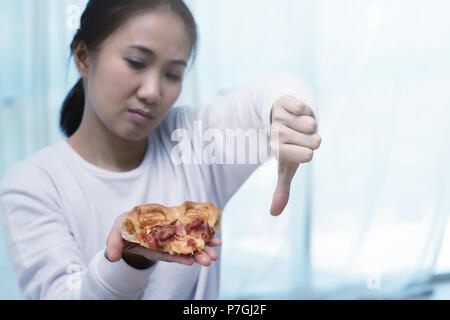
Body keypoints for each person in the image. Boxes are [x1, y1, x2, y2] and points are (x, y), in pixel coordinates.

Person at [0, 0, 321, 300]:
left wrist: (286, 114)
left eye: (173, 74)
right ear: (84, 57)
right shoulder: (32, 185)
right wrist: (127, 259)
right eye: (136, 62)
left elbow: (273, 92)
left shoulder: (194, 141)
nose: (153, 92)